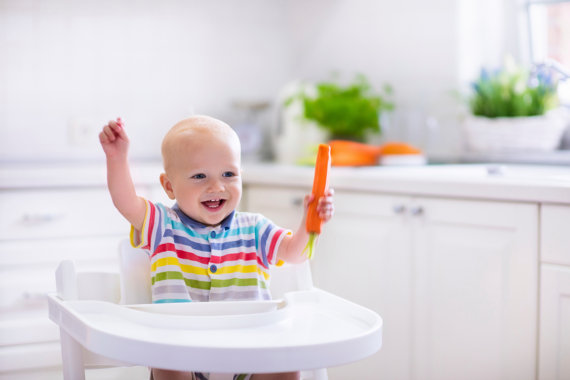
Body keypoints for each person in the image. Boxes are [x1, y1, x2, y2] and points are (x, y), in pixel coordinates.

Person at [99, 115, 335, 380]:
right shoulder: (162, 225)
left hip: (249, 353)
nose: (217, 186)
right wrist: (117, 158)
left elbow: (295, 253)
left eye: (228, 174)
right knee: (166, 362)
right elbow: (126, 202)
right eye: (199, 176)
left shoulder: (255, 228)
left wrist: (311, 221)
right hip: (180, 352)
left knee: (285, 365)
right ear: (169, 186)